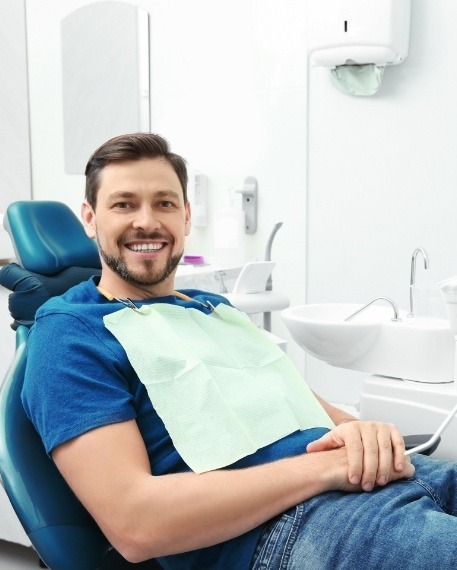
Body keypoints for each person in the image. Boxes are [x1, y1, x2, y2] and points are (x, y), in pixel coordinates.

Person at [22, 133, 457, 570]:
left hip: (393, 481)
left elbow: (316, 411)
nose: (147, 221)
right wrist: (325, 470)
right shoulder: (69, 334)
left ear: (187, 217)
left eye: (165, 203)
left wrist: (365, 432)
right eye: (124, 204)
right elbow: (135, 524)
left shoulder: (217, 311)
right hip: (292, 528)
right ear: (90, 218)